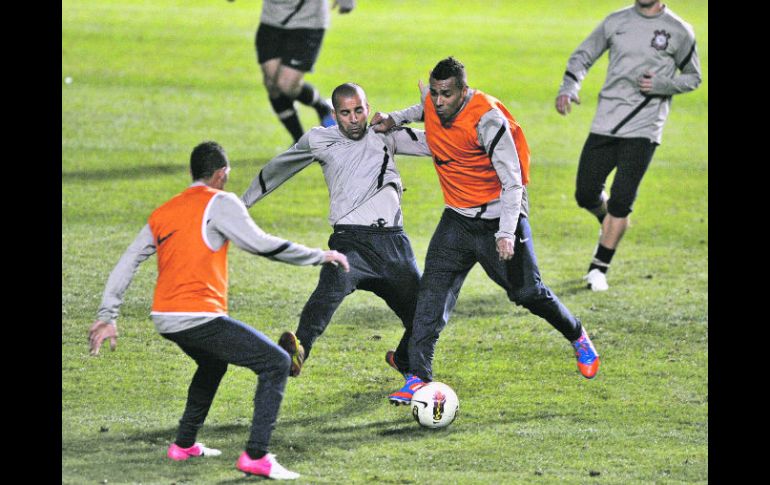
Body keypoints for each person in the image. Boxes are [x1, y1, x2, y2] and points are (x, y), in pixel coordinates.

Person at [88, 141, 349, 480]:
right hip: (198, 317)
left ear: (192, 173)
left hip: (166, 319)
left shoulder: (164, 211)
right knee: (277, 362)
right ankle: (257, 455)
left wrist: (108, 316)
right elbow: (261, 244)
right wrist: (319, 255)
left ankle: (183, 444)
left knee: (213, 363)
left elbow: (128, 261)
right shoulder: (221, 201)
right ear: (221, 174)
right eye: (226, 177)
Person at [372, 56, 601, 404]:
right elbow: (420, 111)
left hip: (500, 217)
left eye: (446, 94)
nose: (438, 101)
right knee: (431, 293)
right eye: (434, 93)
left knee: (527, 293)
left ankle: (577, 334)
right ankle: (418, 377)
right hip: (458, 220)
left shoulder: (488, 120)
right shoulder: (434, 105)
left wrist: (506, 233)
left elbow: (513, 185)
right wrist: (395, 118)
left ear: (464, 91)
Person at [242, 82, 432, 379]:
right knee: (328, 289)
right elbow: (279, 167)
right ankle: (299, 350)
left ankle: (406, 361)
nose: (354, 118)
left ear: (368, 109)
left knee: (425, 316)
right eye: (345, 113)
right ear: (334, 114)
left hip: (393, 244)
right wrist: (244, 203)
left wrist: (416, 112)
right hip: (350, 242)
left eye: (359, 110)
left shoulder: (386, 136)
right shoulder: (319, 139)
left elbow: (438, 144)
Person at [554, 0, 702, 291]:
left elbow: (693, 77)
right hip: (606, 121)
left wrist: (663, 84)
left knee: (622, 199)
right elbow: (583, 55)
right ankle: (609, 222)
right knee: (585, 193)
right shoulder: (616, 21)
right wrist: (569, 87)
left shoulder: (680, 30)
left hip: (644, 126)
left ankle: (599, 268)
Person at [245, 0, 356, 143]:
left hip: (308, 20)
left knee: (286, 84)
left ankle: (322, 107)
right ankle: (300, 142)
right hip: (271, 18)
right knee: (272, 84)